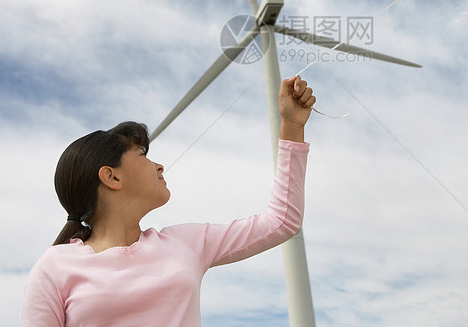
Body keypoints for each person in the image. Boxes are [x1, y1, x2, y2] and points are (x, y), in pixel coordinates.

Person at [21, 76, 315, 326]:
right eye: (143, 155)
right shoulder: (55, 266)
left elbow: (281, 221)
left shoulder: (185, 243)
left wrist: (291, 126)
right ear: (111, 177)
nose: (159, 166)